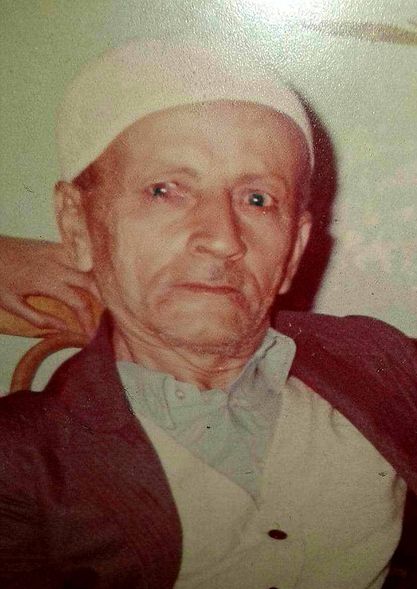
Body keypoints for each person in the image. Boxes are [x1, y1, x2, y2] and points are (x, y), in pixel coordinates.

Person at [0, 39, 416, 589]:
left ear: (294, 249)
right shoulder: (22, 459)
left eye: (258, 199)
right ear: (77, 224)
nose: (222, 239)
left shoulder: (380, 361)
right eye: (165, 191)